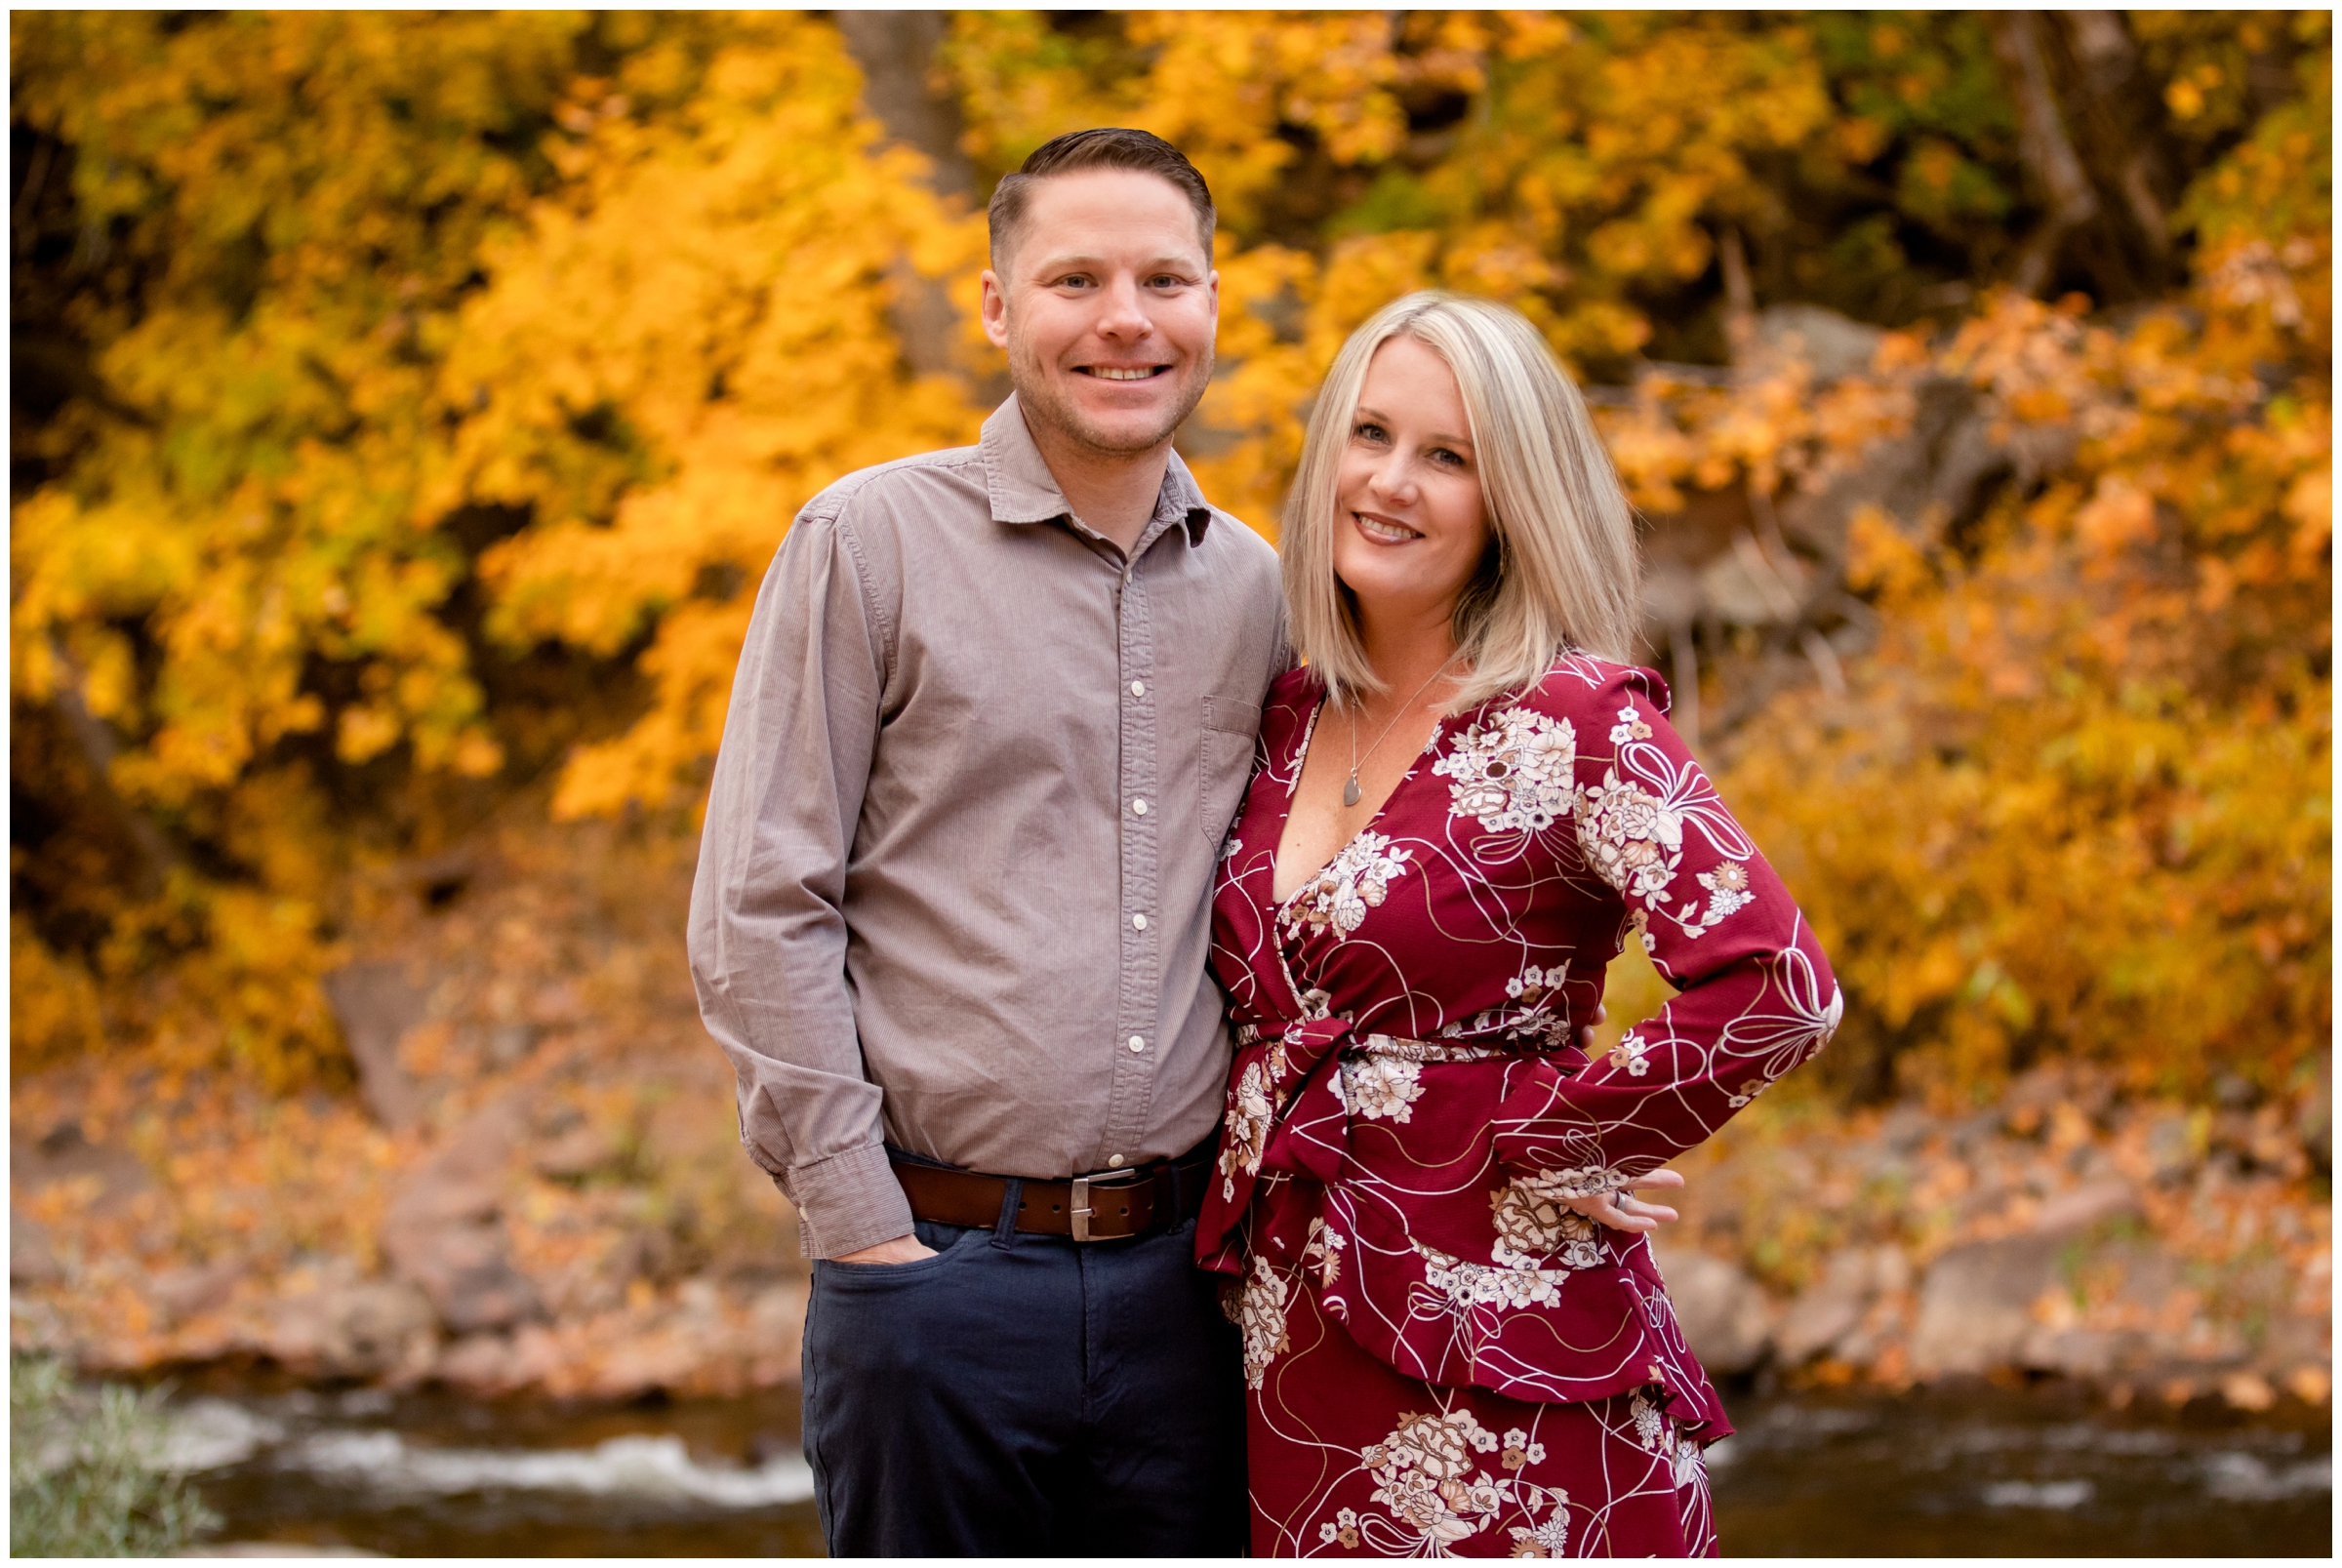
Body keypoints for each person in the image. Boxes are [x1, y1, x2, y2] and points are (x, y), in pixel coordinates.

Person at [687, 129, 1283, 1555]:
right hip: (937, 1278)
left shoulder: (1261, 585)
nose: (1125, 318)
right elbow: (761, 907)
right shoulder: (869, 541)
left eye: (1164, 278)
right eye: (1074, 278)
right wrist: (863, 1237)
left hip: (1193, 1296)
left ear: (1214, 303)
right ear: (999, 307)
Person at [1196, 292, 1843, 1557]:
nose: (1390, 482)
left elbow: (1778, 986)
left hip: (1510, 1359)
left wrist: (1562, 1135)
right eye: (1369, 435)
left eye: (1448, 457)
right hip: (1293, 1341)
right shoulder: (1287, 713)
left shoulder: (1576, 717)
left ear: (1514, 499)